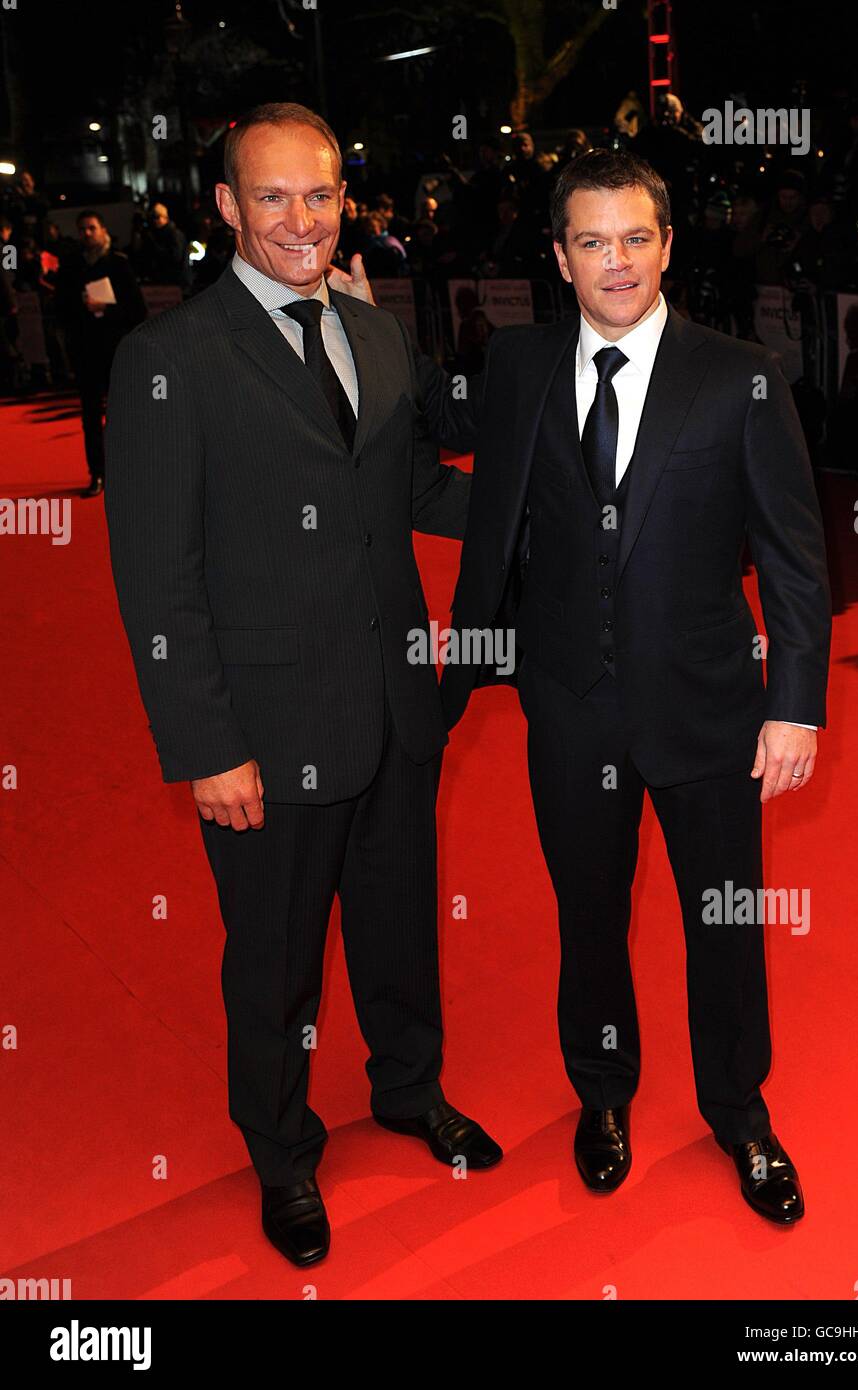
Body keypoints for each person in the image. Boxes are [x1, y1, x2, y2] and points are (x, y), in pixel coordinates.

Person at [371, 149, 830, 1223]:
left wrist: (794, 703)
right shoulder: (524, 366)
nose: (615, 262)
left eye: (635, 237)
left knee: (723, 921)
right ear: (559, 255)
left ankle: (740, 1112)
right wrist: (363, 321)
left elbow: (797, 557)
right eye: (591, 241)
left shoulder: (741, 375)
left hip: (710, 709)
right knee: (590, 919)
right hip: (570, 707)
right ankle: (604, 1094)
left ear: (667, 244)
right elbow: (446, 430)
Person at [103, 102, 501, 1270]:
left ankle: (408, 1088)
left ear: (344, 200)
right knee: (273, 958)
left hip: (393, 702)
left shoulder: (374, 334)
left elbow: (420, 490)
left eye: (318, 195)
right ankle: (281, 1153)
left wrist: (551, 518)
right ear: (224, 207)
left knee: (396, 923)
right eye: (269, 196)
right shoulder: (168, 359)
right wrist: (203, 745)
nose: (298, 220)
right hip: (265, 734)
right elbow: (156, 579)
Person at [54, 210, 146, 495]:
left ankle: (128, 471)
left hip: (117, 350)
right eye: (82, 229)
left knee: (123, 415)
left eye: (92, 228)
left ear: (103, 229)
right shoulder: (71, 266)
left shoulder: (119, 265)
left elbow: (138, 311)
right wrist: (81, 305)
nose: (87, 233)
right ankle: (97, 474)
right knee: (90, 416)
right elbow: (59, 309)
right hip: (85, 351)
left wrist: (107, 308)